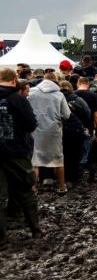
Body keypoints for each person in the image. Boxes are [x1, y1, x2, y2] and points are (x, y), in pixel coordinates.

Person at [0, 68, 41, 245]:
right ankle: (35, 230)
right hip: (15, 152)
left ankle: (1, 238)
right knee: (25, 191)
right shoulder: (18, 99)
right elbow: (31, 124)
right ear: (14, 79)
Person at [28, 73, 71, 194]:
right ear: (55, 82)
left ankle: (33, 189)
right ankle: (62, 187)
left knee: (34, 160)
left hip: (35, 130)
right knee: (57, 159)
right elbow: (66, 114)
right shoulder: (59, 94)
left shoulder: (31, 93)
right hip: (53, 131)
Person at [59, 81, 90, 185]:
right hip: (76, 130)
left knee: (64, 154)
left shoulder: (56, 99)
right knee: (76, 154)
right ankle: (74, 176)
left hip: (61, 131)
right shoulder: (78, 100)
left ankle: (65, 176)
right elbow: (87, 113)